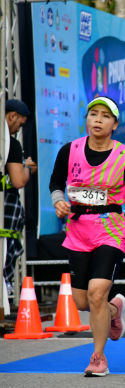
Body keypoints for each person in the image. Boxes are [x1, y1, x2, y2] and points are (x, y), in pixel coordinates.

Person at [49, 96, 125, 376]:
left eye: (105, 116)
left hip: (110, 229)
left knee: (97, 292)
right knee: (83, 302)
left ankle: (98, 358)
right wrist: (58, 201)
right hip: (77, 230)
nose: (98, 119)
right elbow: (55, 182)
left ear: (115, 125)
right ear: (87, 119)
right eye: (93, 114)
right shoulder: (69, 150)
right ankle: (113, 311)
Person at [3, 99, 38, 295]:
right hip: (6, 207)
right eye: (20, 123)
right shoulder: (10, 144)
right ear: (12, 116)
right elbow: (18, 181)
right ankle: (5, 287)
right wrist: (28, 169)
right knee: (7, 249)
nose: (18, 129)